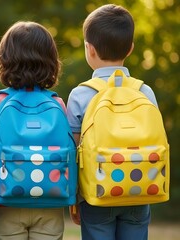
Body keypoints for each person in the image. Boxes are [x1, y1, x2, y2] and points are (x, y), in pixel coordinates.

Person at [66, 4, 158, 240]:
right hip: (139, 188)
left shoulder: (81, 95)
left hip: (96, 193)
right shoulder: (145, 92)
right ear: (130, 49)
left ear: (89, 49)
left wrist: (74, 198)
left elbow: (73, 151)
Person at [0, 21, 67, 240]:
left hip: (7, 201)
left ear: (4, 60)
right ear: (51, 62)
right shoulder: (58, 105)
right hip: (50, 200)